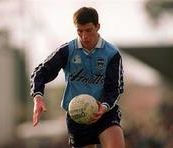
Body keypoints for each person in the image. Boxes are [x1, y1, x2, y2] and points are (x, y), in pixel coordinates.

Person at [30, 7, 125, 148]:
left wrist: (104, 107)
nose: (84, 36)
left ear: (97, 27)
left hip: (105, 113)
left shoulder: (111, 54)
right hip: (77, 115)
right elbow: (40, 72)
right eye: (79, 31)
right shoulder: (67, 50)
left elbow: (115, 88)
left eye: (88, 30)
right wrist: (38, 97)